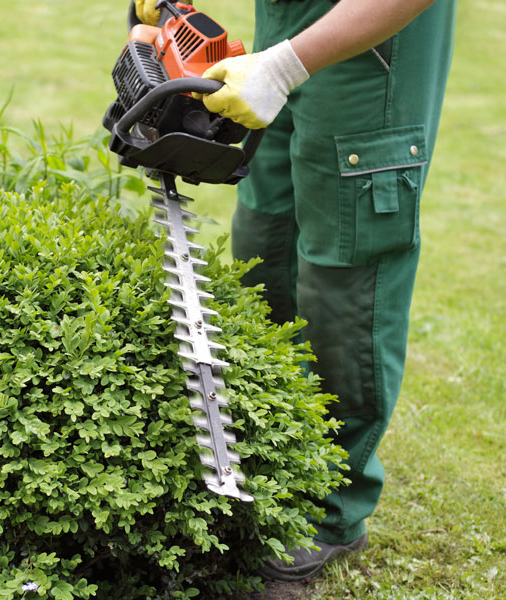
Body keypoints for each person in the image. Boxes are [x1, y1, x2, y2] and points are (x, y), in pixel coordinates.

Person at [135, 0, 457, 583]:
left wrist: (284, 68)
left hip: (375, 45)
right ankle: (272, 463)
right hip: (286, 23)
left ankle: (333, 507)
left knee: (344, 272)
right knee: (265, 241)